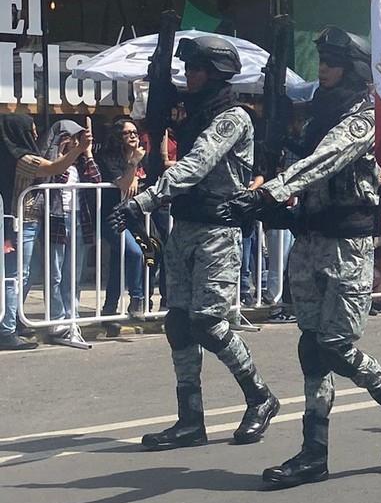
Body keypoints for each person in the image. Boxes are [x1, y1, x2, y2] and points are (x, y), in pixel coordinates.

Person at [219, 28, 381, 487]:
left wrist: (271, 190)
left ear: (351, 67)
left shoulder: (363, 116)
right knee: (310, 346)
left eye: (333, 61)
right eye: (322, 61)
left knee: (334, 343)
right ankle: (314, 452)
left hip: (345, 243)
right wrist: (273, 150)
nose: (324, 69)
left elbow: (328, 159)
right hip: (309, 238)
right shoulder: (317, 113)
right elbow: (304, 156)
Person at [108, 35, 279, 450]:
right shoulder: (192, 113)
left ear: (218, 73)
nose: (191, 74)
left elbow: (197, 163)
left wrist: (143, 202)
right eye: (188, 67)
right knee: (179, 323)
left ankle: (260, 397)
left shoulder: (231, 117)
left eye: (199, 68)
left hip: (217, 231)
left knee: (209, 322)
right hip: (184, 228)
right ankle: (190, 420)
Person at [0, 114, 93, 351]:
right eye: (30, 129)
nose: (34, 133)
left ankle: (16, 320)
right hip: (21, 221)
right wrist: (79, 149)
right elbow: (54, 168)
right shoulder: (21, 157)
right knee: (17, 275)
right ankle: (6, 328)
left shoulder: (20, 153)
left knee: (26, 274)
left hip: (29, 221)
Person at [33, 120, 101, 336]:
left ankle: (72, 316)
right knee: (55, 272)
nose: (74, 141)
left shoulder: (81, 163)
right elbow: (55, 174)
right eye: (70, 137)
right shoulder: (54, 160)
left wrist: (87, 153)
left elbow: (96, 179)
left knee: (74, 272)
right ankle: (56, 318)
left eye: (77, 137)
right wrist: (65, 152)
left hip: (80, 218)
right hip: (57, 218)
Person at [97, 117, 149, 320]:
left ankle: (109, 309)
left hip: (133, 215)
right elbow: (123, 184)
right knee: (136, 253)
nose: (133, 136)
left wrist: (136, 170)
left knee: (119, 263)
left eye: (135, 132)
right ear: (118, 136)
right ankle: (136, 299)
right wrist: (133, 165)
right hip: (112, 214)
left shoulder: (141, 156)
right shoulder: (109, 157)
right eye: (128, 133)